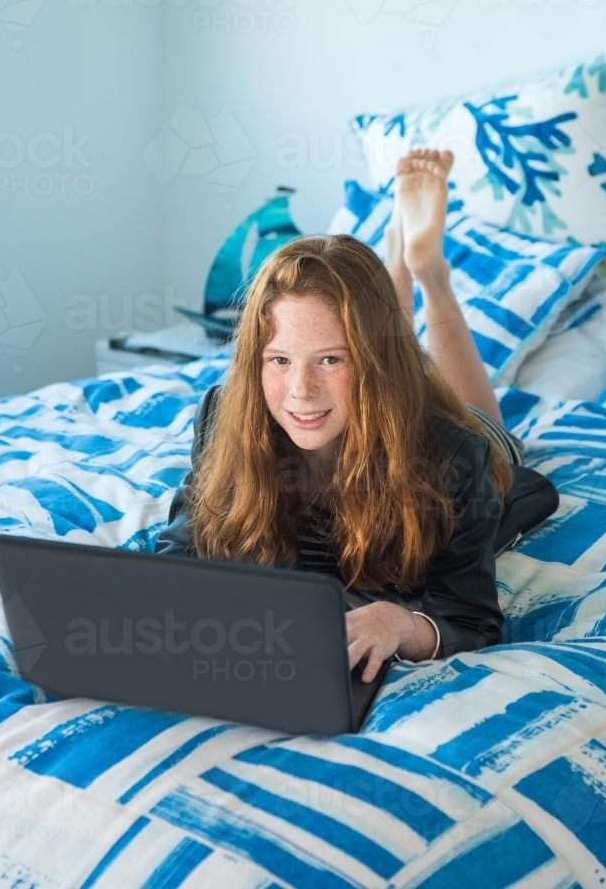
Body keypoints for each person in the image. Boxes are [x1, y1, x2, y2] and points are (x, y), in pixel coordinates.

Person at [156, 150, 526, 683]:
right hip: (377, 389)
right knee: (371, 338)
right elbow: (179, 552)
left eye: (331, 360)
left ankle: (427, 271)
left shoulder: (456, 457)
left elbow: (470, 620)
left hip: (440, 428)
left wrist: (403, 622)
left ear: (369, 364)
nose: (301, 391)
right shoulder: (223, 415)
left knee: (483, 426)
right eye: (279, 360)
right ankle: (394, 262)